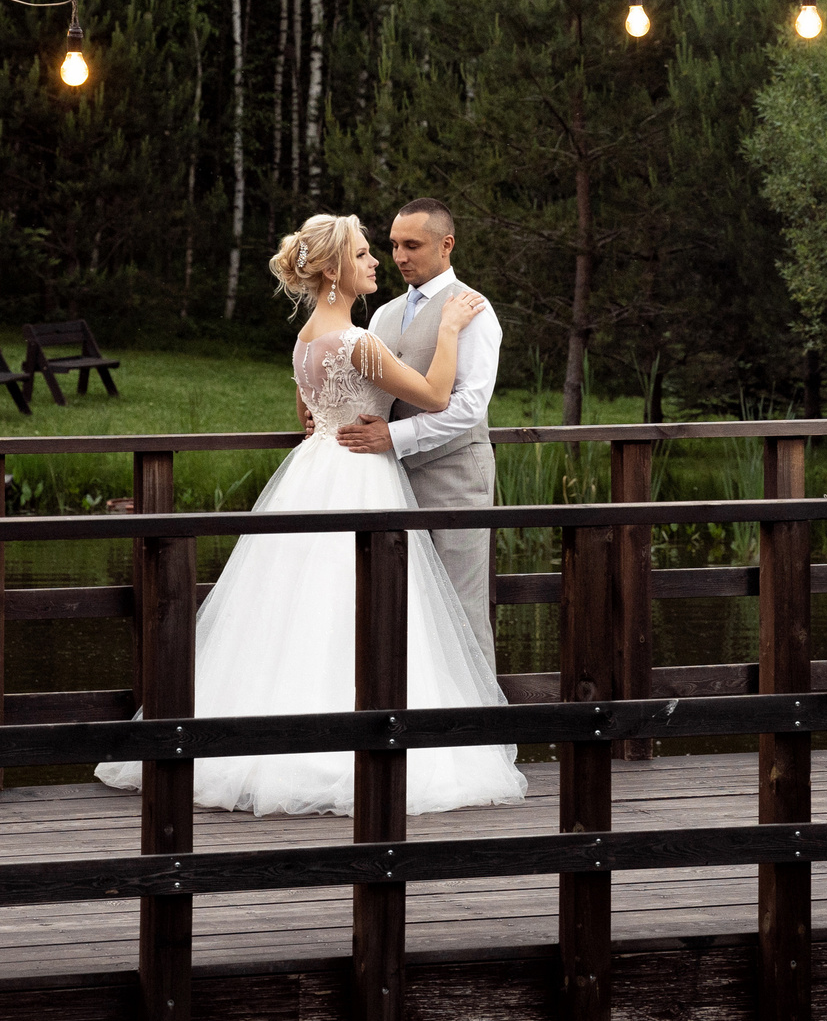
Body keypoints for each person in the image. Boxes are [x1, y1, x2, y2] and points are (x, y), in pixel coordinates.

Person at [95, 212, 526, 817]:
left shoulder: (309, 338)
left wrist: (336, 417)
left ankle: (295, 735)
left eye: (396, 247)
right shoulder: (363, 334)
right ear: (333, 268)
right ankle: (370, 741)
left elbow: (312, 407)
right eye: (369, 251)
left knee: (308, 604)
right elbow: (433, 395)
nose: (381, 260)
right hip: (362, 475)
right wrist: (448, 331)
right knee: (360, 606)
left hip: (320, 470)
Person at [333, 198, 503, 666]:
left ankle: (474, 712)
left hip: (454, 480)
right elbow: (371, 392)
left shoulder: (474, 309)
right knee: (396, 603)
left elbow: (469, 407)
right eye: (393, 246)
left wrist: (394, 437)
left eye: (412, 245)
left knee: (460, 609)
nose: (399, 257)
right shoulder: (383, 314)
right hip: (387, 482)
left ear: (446, 245)